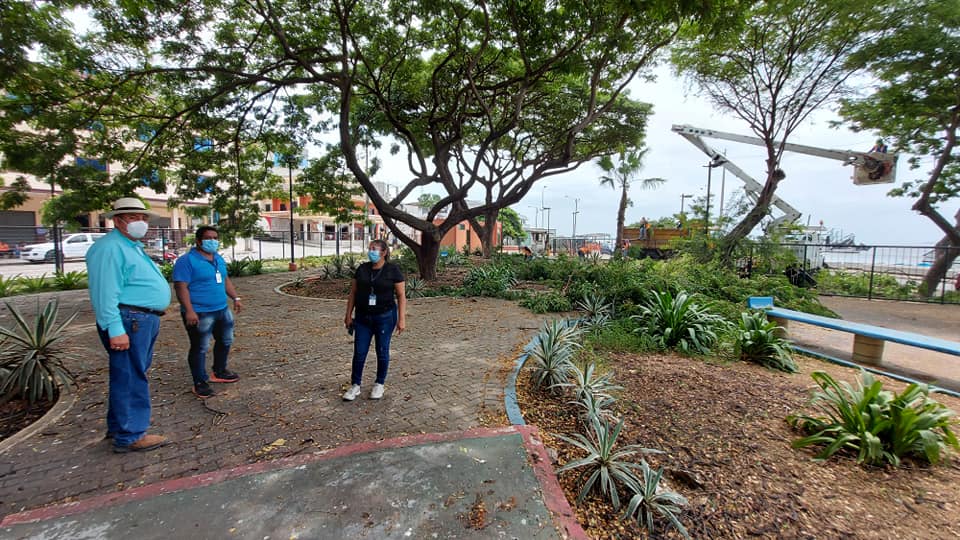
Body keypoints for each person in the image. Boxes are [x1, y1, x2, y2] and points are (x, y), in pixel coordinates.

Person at [86, 197, 170, 453]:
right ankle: (131, 434)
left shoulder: (130, 246)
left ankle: (121, 425)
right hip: (129, 320)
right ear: (118, 220)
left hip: (141, 319)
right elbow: (105, 293)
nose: (140, 222)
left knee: (129, 373)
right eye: (133, 217)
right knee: (131, 376)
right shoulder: (110, 248)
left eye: (143, 217)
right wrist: (115, 329)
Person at [172, 225, 242, 398]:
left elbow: (225, 280)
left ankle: (219, 371)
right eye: (208, 238)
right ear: (198, 241)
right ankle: (199, 382)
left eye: (215, 238)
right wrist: (189, 310)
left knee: (226, 340)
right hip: (199, 312)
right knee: (200, 347)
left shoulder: (218, 258)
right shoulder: (186, 261)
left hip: (221, 309)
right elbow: (181, 287)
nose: (213, 241)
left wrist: (235, 298)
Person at [343, 239, 406, 401]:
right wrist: (348, 314)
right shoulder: (362, 269)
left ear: (383, 252)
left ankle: (379, 383)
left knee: (382, 351)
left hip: (385, 317)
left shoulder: (392, 270)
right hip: (362, 318)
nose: (371, 251)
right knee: (359, 352)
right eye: (370, 248)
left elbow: (401, 295)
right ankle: (355, 385)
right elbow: (353, 293)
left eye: (374, 249)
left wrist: (401, 319)